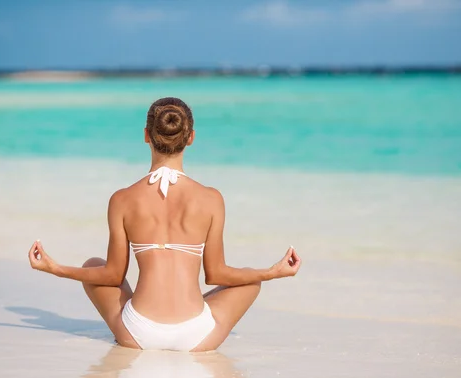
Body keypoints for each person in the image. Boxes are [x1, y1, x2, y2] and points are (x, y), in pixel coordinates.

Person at [27, 97, 302, 352]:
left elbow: (112, 275)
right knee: (251, 280)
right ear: (191, 138)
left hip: (137, 333)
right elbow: (216, 274)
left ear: (146, 135)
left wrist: (56, 268)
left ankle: (138, 331)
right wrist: (271, 272)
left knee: (92, 264)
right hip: (197, 336)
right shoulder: (211, 198)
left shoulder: (122, 199)